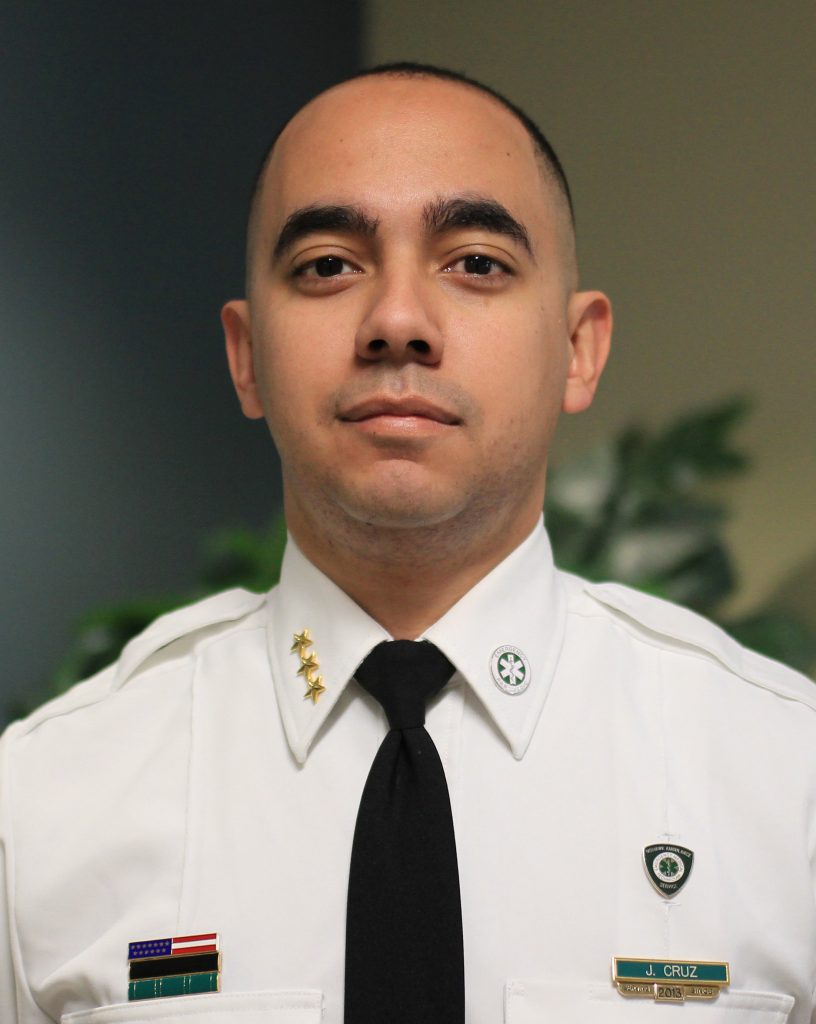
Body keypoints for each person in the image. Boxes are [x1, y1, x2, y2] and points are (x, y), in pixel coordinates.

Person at [1, 62, 814, 1024]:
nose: (395, 322)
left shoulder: (785, 781)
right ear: (246, 356)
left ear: (578, 348)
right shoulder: (43, 804)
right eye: (327, 266)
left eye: (476, 263)